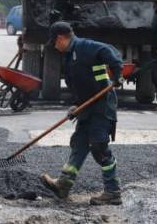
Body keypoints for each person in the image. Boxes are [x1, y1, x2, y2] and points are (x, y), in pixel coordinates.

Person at [40, 21, 124, 206]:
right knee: (79, 142)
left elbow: (109, 52)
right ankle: (63, 184)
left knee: (99, 147)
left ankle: (113, 192)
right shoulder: (69, 57)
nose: (54, 46)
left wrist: (118, 73)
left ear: (60, 38)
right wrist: (76, 105)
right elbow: (80, 86)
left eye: (54, 42)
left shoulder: (85, 47)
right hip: (87, 107)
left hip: (102, 105)